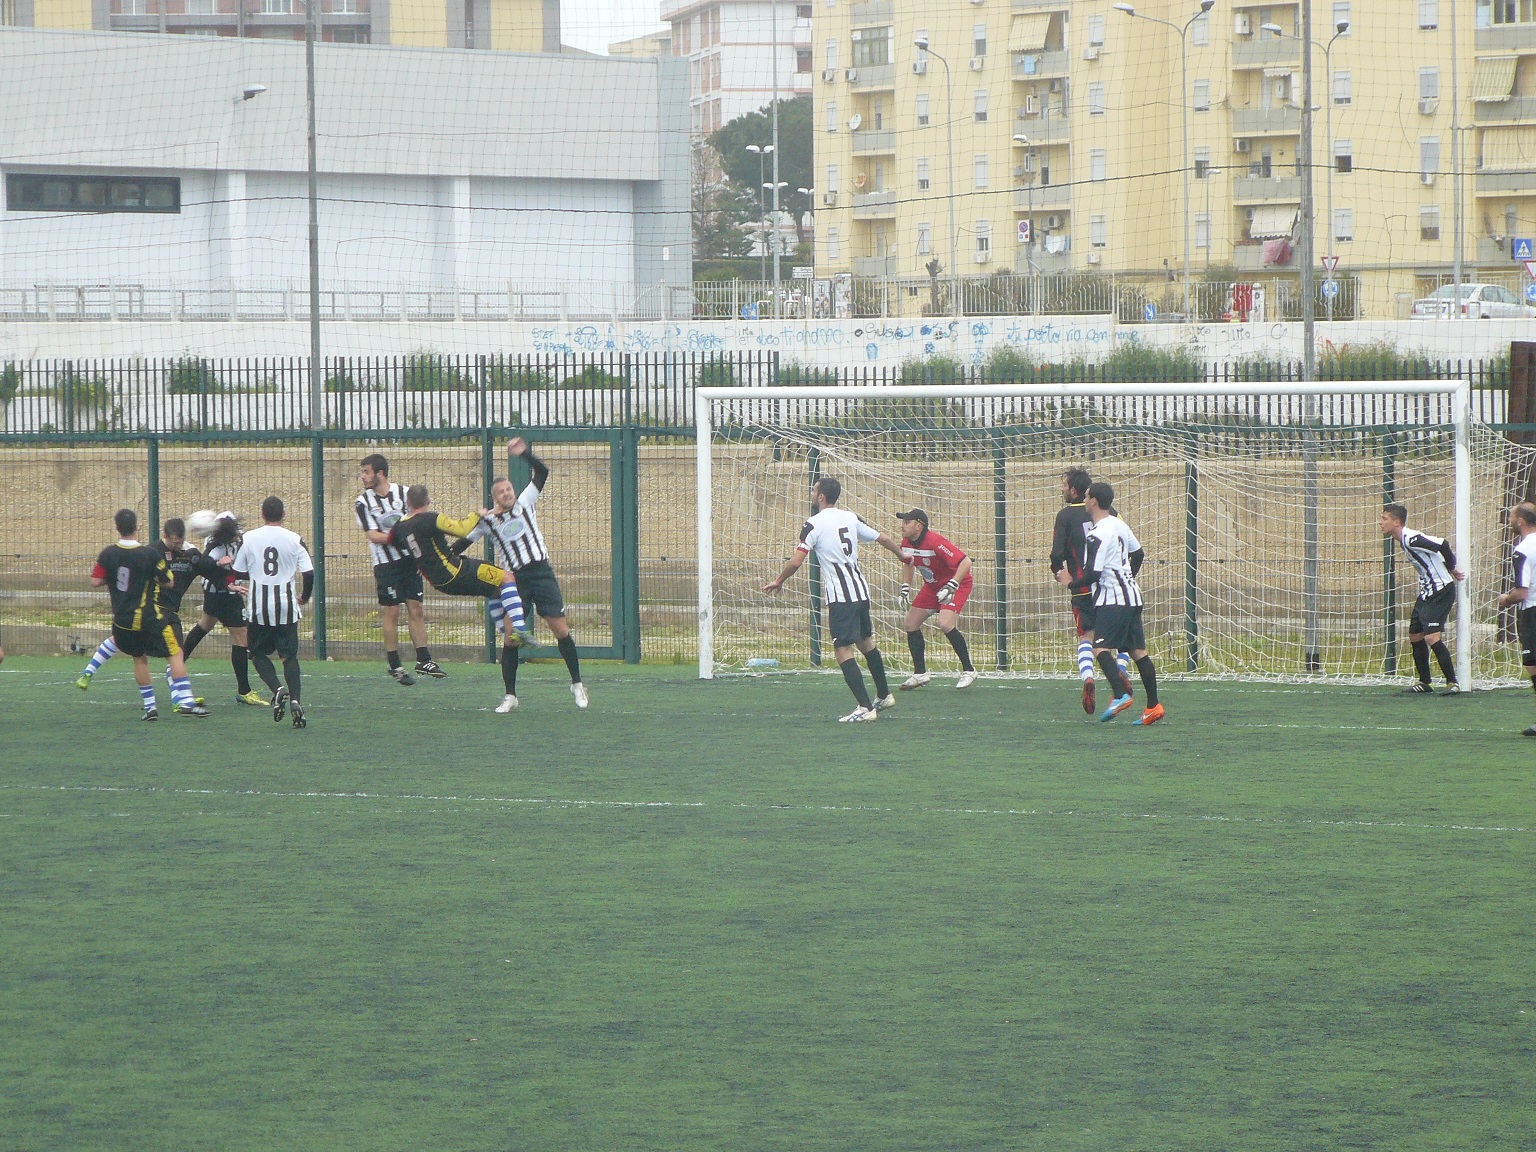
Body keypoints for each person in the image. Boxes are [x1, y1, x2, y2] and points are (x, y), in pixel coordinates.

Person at [455, 438, 588, 714]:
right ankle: (510, 696)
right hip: (514, 580)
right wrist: (439, 558)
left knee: (560, 630)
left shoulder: (526, 501)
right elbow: (461, 544)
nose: (507, 493)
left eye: (508, 489)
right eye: (501, 492)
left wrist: (524, 454)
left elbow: (543, 472)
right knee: (511, 637)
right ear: (494, 498)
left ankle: (577, 684)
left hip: (540, 572)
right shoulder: (488, 521)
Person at [763, 476, 904, 723]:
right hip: (861, 590)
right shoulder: (850, 517)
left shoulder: (813, 524)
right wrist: (901, 555)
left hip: (841, 596)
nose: (812, 494)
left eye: (814, 491)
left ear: (821, 497)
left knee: (842, 649)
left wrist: (779, 580)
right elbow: (882, 538)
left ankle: (865, 707)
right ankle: (883, 695)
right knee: (865, 642)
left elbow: (796, 561)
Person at [387, 484, 534, 705]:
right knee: (508, 578)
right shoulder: (431, 518)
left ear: (408, 503)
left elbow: (391, 540)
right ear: (428, 502)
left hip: (439, 582)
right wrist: (478, 514)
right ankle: (518, 629)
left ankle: (507, 631)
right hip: (456, 572)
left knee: (495, 589)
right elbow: (462, 529)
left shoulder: (399, 527)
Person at [76, 518, 240, 704]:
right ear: (165, 536)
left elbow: (207, 568)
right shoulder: (152, 552)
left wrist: (223, 575)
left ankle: (89, 672)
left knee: (127, 642)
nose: (178, 545)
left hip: (165, 611)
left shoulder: (189, 554)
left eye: (180, 541)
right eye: (174, 542)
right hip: (154, 610)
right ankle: (181, 699)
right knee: (174, 654)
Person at [90, 508, 209, 720]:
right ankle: (185, 702)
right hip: (150, 616)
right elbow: (169, 581)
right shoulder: (150, 554)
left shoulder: (108, 554)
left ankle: (150, 708)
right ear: (137, 527)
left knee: (139, 658)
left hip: (122, 619)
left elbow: (95, 581)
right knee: (175, 654)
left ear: (117, 528)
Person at [1071, 482, 1163, 725]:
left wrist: (1070, 583)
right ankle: (1153, 706)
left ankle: (1120, 695)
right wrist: (1128, 577)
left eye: (1087, 497)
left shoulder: (1097, 532)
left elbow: (1093, 574)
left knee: (1099, 648)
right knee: (1138, 652)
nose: (1085, 501)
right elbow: (1138, 554)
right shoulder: (1119, 524)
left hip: (1113, 600)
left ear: (1093, 501)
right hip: (1132, 596)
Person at [356, 453, 441, 686]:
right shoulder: (362, 502)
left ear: (380, 473)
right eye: (362, 472)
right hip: (385, 565)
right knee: (392, 611)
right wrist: (399, 536)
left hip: (409, 561)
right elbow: (373, 535)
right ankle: (395, 664)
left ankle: (424, 659)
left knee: (416, 607)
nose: (363, 476)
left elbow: (417, 519)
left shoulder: (404, 493)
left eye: (366, 472)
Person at [1051, 467, 1129, 714]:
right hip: (1109, 586)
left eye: (1064, 485)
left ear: (1074, 490)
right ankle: (1121, 671)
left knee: (1087, 636)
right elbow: (1126, 544)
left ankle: (1088, 677)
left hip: (1082, 588)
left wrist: (1060, 572)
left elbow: (1056, 553)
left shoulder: (1065, 516)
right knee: (1122, 635)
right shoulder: (1111, 513)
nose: (1062, 489)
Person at [232, 496, 315, 729]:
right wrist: (305, 597)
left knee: (257, 654)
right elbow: (309, 573)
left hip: (259, 606)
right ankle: (296, 700)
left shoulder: (249, 538)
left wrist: (255, 571)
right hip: (286, 605)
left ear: (262, 515)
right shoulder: (294, 539)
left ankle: (277, 689)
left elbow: (238, 571)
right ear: (283, 515)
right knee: (289, 656)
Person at [175, 513, 266, 706]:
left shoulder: (231, 530)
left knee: (204, 625)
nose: (238, 536)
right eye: (234, 534)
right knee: (241, 635)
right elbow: (207, 568)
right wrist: (225, 579)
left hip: (221, 592)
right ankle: (244, 691)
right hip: (222, 593)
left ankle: (176, 664)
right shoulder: (215, 549)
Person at [1379, 503, 1466, 695]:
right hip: (1427, 591)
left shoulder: (1411, 538)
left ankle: (1453, 682)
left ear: (1397, 521)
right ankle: (1425, 682)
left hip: (1440, 590)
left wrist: (1452, 568)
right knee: (1415, 635)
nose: (1380, 522)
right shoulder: (1403, 540)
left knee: (1431, 636)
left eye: (1384, 519)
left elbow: (1442, 544)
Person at [892, 508, 978, 690]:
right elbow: (908, 562)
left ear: (919, 526)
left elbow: (966, 562)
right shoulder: (906, 543)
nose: (902, 526)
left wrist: (952, 585)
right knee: (910, 623)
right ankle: (920, 674)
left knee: (945, 624)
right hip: (933, 587)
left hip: (957, 584)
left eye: (907, 522)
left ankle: (969, 670)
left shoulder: (935, 541)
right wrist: (905, 587)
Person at [1497, 502, 1536, 735]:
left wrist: (1506, 598)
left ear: (1520, 521)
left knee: (1533, 664)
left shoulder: (1522, 550)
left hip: (1532, 611)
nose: (1509, 521)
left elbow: (1521, 592)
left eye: (1511, 517)